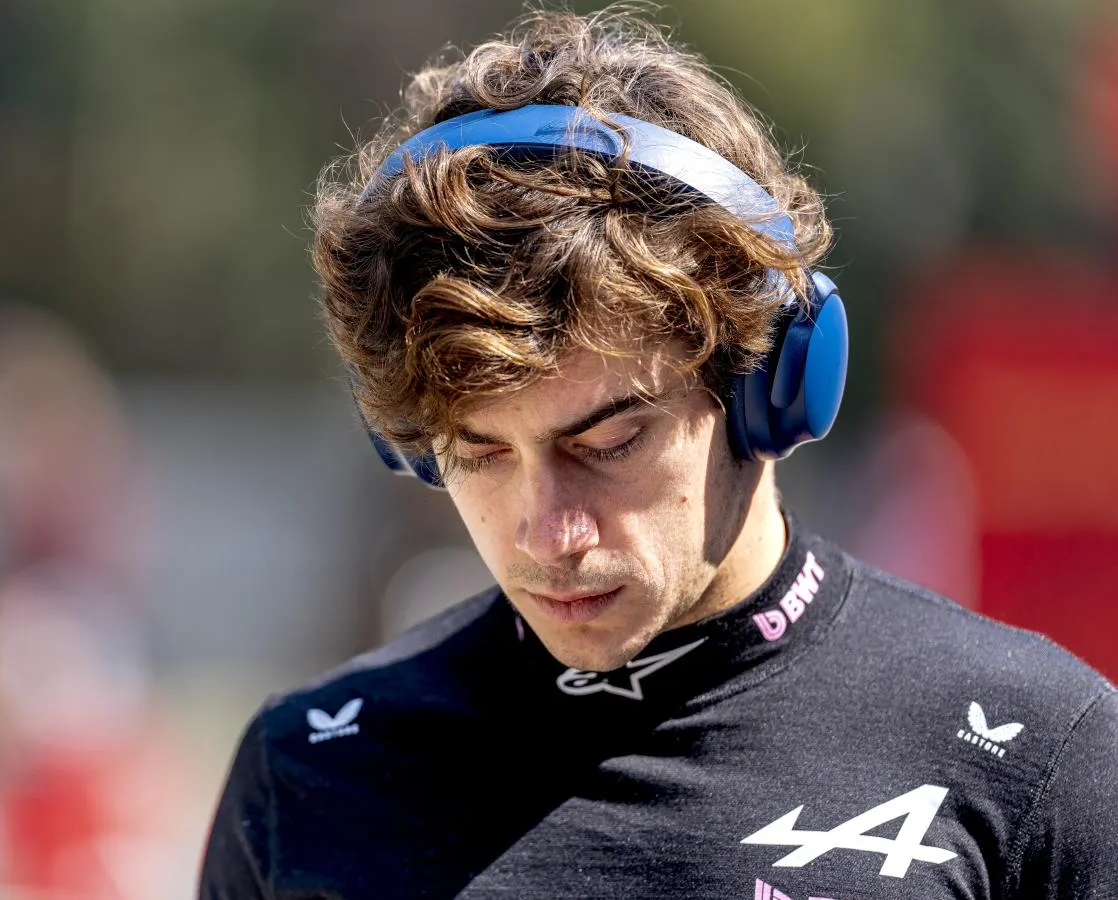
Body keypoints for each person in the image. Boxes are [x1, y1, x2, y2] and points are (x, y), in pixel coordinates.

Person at [200, 9, 1118, 898]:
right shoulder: (308, 776)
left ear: (771, 386)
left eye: (609, 442)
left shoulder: (1038, 759)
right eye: (479, 455)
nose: (548, 534)